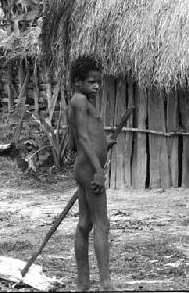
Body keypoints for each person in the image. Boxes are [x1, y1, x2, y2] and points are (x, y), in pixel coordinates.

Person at [66, 55, 116, 291]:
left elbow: (83, 139)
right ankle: (105, 283)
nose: (96, 85)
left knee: (85, 224)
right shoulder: (79, 102)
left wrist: (105, 143)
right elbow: (83, 139)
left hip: (85, 167)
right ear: (77, 82)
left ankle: (83, 283)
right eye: (91, 81)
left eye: (98, 81)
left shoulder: (81, 101)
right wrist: (98, 170)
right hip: (89, 169)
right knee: (101, 224)